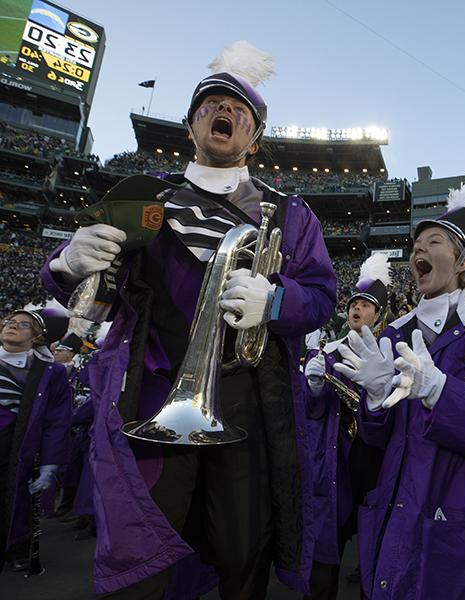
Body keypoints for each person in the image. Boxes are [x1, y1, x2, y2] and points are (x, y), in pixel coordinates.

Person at [41, 41, 336, 598]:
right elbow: (92, 297)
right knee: (143, 546)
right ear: (191, 123)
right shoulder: (146, 194)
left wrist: (274, 301)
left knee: (242, 546)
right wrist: (67, 260)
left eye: (238, 109)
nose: (223, 112)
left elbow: (321, 295)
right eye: (209, 105)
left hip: (248, 394)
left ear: (255, 136)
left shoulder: (290, 213)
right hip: (151, 393)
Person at [333, 175, 465, 599]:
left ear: (463, 260)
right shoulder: (394, 332)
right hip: (397, 511)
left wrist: (439, 392)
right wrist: (375, 400)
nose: (417, 251)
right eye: (416, 246)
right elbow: (379, 439)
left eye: (433, 242)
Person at [302, 253, 389, 600]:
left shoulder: (388, 351)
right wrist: (314, 389)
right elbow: (309, 411)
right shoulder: (329, 352)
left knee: (376, 548)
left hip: (372, 460)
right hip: (334, 461)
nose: (357, 309)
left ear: (378, 315)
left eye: (366, 305)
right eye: (354, 303)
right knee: (327, 551)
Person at [0, 310, 71, 571]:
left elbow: (57, 421)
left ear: (36, 336)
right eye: (9, 322)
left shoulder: (51, 373)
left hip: (18, 446)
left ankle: (17, 548)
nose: (12, 326)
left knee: (17, 501)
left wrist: (50, 463)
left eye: (23, 325)